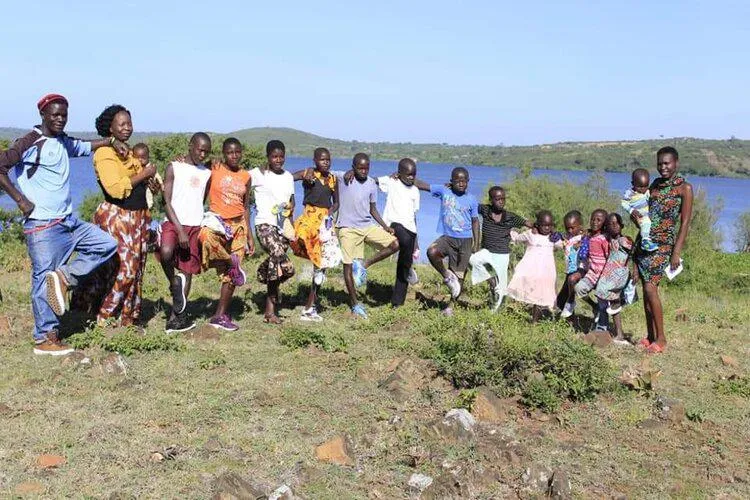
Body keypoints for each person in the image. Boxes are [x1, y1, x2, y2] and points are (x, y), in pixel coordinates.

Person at [0, 94, 122, 354]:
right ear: (43, 115)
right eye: (55, 115)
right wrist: (21, 200)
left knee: (107, 244)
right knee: (42, 280)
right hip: (43, 225)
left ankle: (65, 277)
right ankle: (45, 338)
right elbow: (1, 166)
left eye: (64, 115)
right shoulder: (30, 141)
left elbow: (85, 146)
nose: (60, 119)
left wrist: (110, 142)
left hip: (69, 221)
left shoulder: (62, 141)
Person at [74, 105, 158, 328]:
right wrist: (144, 174)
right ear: (109, 128)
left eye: (129, 123)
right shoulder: (105, 153)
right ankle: (105, 318)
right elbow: (115, 189)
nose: (127, 128)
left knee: (135, 270)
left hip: (137, 218)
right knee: (125, 268)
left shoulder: (127, 152)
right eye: (121, 124)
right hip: (117, 217)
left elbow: (140, 176)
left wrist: (149, 179)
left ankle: (127, 318)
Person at [633, 147, 693, 353]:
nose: (663, 167)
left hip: (664, 245)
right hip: (645, 242)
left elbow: (685, 223)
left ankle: (662, 339)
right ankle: (650, 336)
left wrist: (676, 252)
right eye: (660, 163)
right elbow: (646, 215)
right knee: (645, 291)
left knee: (651, 288)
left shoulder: (684, 188)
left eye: (667, 163)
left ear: (676, 163)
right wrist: (636, 219)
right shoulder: (655, 186)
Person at [334, 153, 399, 318]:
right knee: (347, 265)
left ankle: (365, 264)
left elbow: (373, 209)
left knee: (394, 244)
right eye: (360, 168)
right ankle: (355, 304)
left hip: (367, 226)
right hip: (347, 228)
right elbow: (325, 172)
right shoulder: (343, 177)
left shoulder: (371, 183)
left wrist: (385, 227)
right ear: (353, 166)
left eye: (366, 168)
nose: (363, 171)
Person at [199, 138, 254, 331]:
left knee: (231, 276)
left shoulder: (246, 176)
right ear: (223, 153)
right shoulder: (213, 169)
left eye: (237, 152)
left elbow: (246, 206)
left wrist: (249, 235)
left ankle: (219, 315)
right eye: (230, 152)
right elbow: (195, 166)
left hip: (238, 226)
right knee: (205, 237)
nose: (234, 155)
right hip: (217, 223)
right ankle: (231, 262)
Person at [160, 133, 212, 333]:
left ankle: (176, 318)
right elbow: (166, 201)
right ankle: (174, 284)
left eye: (206, 151)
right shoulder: (174, 167)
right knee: (166, 252)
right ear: (190, 146)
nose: (202, 154)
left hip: (195, 225)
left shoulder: (206, 172)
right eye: (199, 149)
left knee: (187, 270)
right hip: (174, 222)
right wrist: (180, 229)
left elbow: (202, 197)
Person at [413, 167, 479, 315]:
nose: (461, 184)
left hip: (465, 241)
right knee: (432, 252)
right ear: (452, 181)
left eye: (464, 181)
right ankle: (446, 275)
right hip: (448, 238)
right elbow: (422, 185)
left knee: (460, 275)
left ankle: (451, 306)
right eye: (458, 181)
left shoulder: (472, 200)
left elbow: (475, 222)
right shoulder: (444, 191)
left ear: (468, 181)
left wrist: (476, 244)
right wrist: (401, 176)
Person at [290, 147, 339, 321]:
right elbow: (289, 178)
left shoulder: (333, 179)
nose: (325, 162)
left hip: (324, 223)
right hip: (309, 220)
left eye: (328, 159)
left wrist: (329, 213)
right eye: (322, 159)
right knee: (303, 243)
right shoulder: (309, 174)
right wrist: (305, 172)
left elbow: (336, 203)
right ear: (315, 160)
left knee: (322, 265)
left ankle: (310, 307)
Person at [251, 140, 296, 324]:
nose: (278, 160)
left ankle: (269, 312)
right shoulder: (257, 173)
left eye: (281, 156)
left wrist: (292, 229)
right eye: (274, 156)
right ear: (268, 157)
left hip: (282, 227)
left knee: (275, 267)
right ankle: (263, 275)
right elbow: (237, 177)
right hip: (264, 225)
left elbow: (291, 202)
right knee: (287, 267)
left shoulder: (288, 177)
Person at [468, 186, 532, 311]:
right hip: (486, 251)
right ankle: (492, 278)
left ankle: (495, 311)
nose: (501, 201)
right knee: (472, 259)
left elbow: (528, 223)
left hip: (502, 255)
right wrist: (453, 191)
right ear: (491, 200)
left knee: (501, 289)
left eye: (503, 199)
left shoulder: (510, 217)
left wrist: (543, 227)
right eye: (497, 199)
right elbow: (469, 203)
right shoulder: (485, 210)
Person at [377, 158, 421, 307]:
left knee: (403, 264)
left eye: (413, 174)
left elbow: (414, 216)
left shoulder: (415, 191)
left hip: (410, 230)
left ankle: (397, 302)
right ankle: (408, 268)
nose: (411, 177)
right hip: (393, 224)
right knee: (404, 238)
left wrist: (417, 242)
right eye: (408, 174)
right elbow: (373, 181)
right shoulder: (392, 182)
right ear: (399, 173)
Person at [506, 210, 563, 322]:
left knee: (539, 296)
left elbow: (562, 245)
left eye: (550, 225)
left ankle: (535, 321)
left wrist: (557, 236)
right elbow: (518, 238)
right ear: (538, 225)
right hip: (530, 269)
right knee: (525, 288)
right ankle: (514, 308)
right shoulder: (531, 234)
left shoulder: (553, 238)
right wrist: (511, 232)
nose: (547, 228)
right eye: (544, 225)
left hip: (546, 272)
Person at [594, 213, 633, 343]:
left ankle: (607, 324)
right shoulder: (611, 240)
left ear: (621, 225)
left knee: (604, 292)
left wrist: (636, 271)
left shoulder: (624, 240)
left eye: (616, 223)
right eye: (611, 224)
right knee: (608, 298)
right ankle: (618, 333)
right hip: (609, 273)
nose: (614, 226)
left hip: (618, 274)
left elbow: (635, 254)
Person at [574, 209, 610, 330]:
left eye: (599, 220)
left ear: (604, 223)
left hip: (603, 275)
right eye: (593, 219)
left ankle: (601, 328)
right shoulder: (589, 237)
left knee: (602, 301)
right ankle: (594, 306)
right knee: (579, 288)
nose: (594, 222)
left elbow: (609, 256)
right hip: (592, 273)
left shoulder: (605, 239)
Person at [557, 210, 589, 318]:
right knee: (561, 300)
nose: (570, 230)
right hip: (569, 270)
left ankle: (571, 317)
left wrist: (582, 241)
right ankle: (569, 318)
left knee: (571, 293)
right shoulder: (567, 238)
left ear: (580, 226)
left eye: (573, 227)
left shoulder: (583, 237)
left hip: (579, 270)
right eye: (567, 228)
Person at [621, 168, 658, 252]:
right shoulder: (629, 193)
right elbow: (624, 203)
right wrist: (631, 210)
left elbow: (650, 197)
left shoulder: (647, 192)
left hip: (646, 214)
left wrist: (653, 196)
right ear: (633, 184)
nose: (643, 189)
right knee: (646, 223)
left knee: (648, 224)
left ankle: (646, 240)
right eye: (640, 187)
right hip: (639, 215)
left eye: (646, 186)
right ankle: (645, 242)